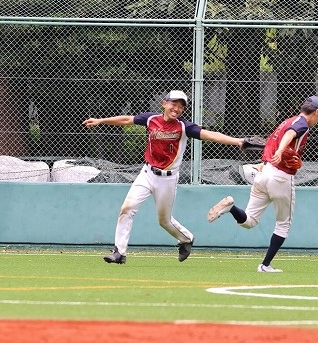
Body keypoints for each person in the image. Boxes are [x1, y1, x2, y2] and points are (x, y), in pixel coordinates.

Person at [83, 90, 244, 264]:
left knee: (164, 221)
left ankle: (186, 239)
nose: (177, 109)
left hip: (167, 179)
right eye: (174, 104)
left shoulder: (184, 127)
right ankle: (119, 252)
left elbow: (211, 135)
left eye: (181, 106)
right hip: (147, 173)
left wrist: (238, 141)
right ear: (164, 103)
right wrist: (101, 120)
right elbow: (127, 120)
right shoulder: (151, 119)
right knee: (127, 209)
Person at [206, 95, 318, 273]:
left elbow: (276, 141)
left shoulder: (286, 121)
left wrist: (272, 156)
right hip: (281, 177)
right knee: (283, 225)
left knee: (249, 221)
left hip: (264, 173)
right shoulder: (301, 124)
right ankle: (265, 265)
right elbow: (291, 134)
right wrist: (280, 151)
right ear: (316, 112)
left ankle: (231, 207)